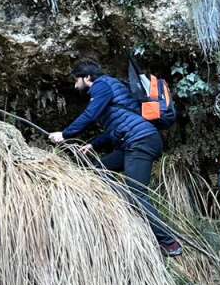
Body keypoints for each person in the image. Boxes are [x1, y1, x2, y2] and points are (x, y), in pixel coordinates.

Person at [49, 59, 183, 257]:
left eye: (76, 79)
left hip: (141, 141)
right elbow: (119, 128)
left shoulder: (102, 85)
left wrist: (66, 134)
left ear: (87, 77)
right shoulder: (114, 89)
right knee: (96, 170)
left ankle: (169, 243)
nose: (75, 84)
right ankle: (121, 206)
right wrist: (94, 144)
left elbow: (91, 114)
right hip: (133, 141)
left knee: (137, 193)